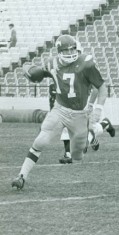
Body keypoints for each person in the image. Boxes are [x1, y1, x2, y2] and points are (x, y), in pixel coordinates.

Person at [11, 35, 108, 189]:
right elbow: (38, 74)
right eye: (66, 50)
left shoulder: (86, 63)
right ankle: (21, 176)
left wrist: (98, 108)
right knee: (40, 141)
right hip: (60, 109)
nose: (70, 52)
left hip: (79, 114)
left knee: (78, 155)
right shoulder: (52, 63)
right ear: (59, 51)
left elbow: (101, 87)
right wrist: (29, 70)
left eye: (72, 49)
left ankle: (98, 129)